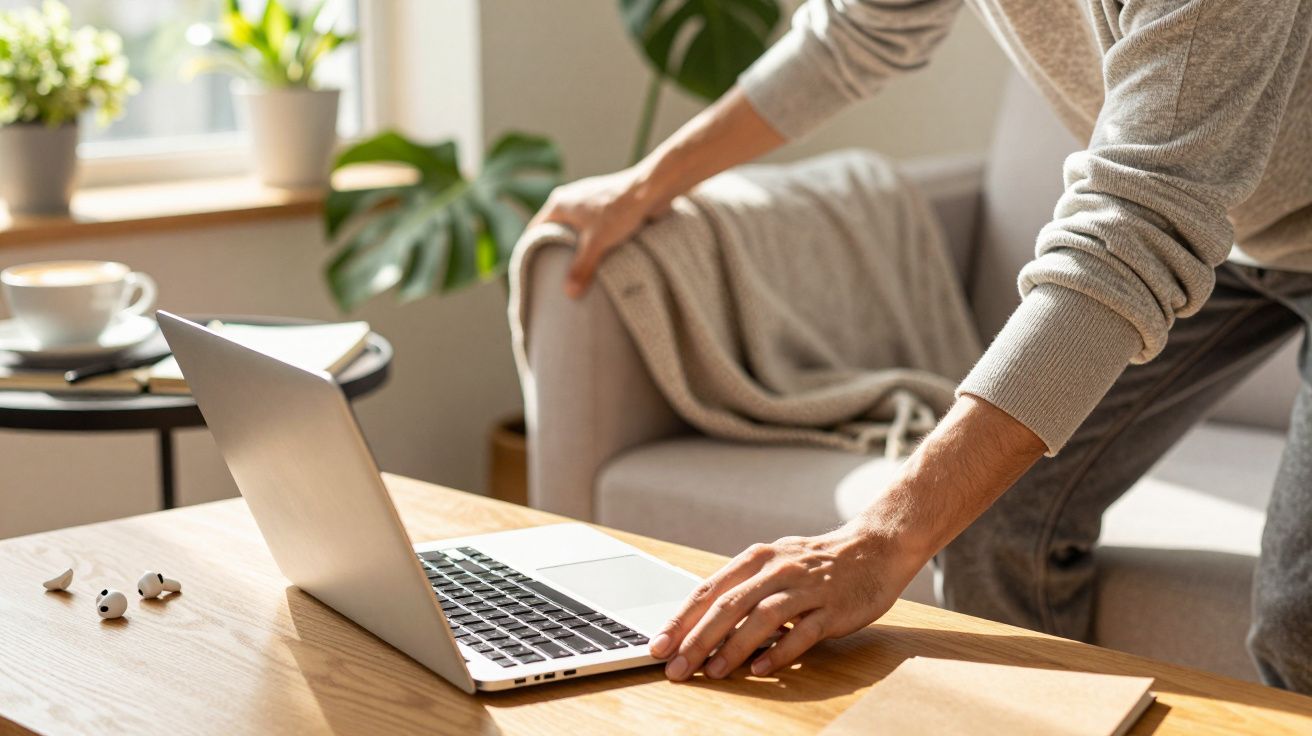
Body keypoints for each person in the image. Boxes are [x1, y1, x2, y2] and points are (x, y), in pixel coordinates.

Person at [529, 0, 1312, 692]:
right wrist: (644, 185)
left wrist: (879, 536)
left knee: (1298, 617)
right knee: (990, 523)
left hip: (1186, 211)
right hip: (1232, 230)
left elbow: (1133, 232)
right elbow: (856, 32)